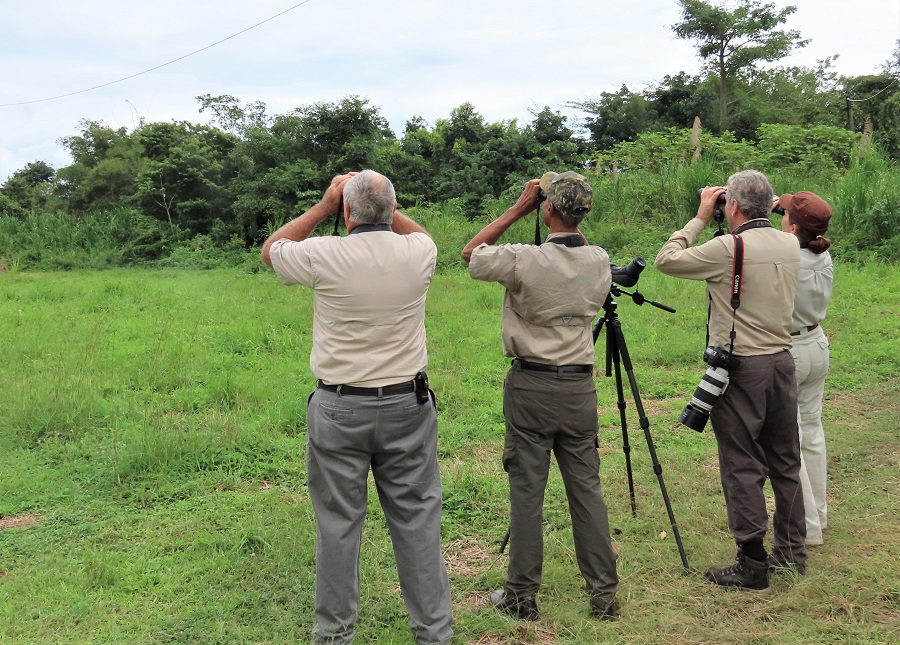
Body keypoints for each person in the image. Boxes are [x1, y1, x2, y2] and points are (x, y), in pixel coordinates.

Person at [261, 170, 453, 645]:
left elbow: (272, 249)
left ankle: (334, 633)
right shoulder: (419, 252)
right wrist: (377, 201)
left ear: (347, 213)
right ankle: (433, 632)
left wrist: (328, 204)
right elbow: (419, 233)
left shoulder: (324, 254)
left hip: (339, 405)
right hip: (407, 404)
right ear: (392, 210)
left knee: (338, 524)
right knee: (417, 520)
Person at [461, 171, 619, 620]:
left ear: (546, 209)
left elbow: (471, 254)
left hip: (531, 385)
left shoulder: (522, 260)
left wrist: (518, 208)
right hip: (579, 386)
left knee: (528, 491)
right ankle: (604, 593)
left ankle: (521, 593)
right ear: (585, 210)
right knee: (586, 489)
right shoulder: (600, 259)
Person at [655, 169, 806, 593]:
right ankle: (792, 553)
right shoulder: (790, 243)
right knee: (786, 462)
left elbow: (667, 259)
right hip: (782, 362)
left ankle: (752, 564)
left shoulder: (727, 247)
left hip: (741, 369)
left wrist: (701, 216)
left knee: (741, 464)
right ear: (770, 204)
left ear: (732, 206)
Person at [776, 191, 834, 547]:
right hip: (817, 344)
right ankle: (820, 514)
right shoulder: (822, 253)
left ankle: (807, 526)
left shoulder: (786, 260)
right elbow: (793, 236)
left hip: (791, 350)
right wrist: (785, 213)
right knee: (811, 432)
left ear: (792, 225)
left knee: (788, 440)